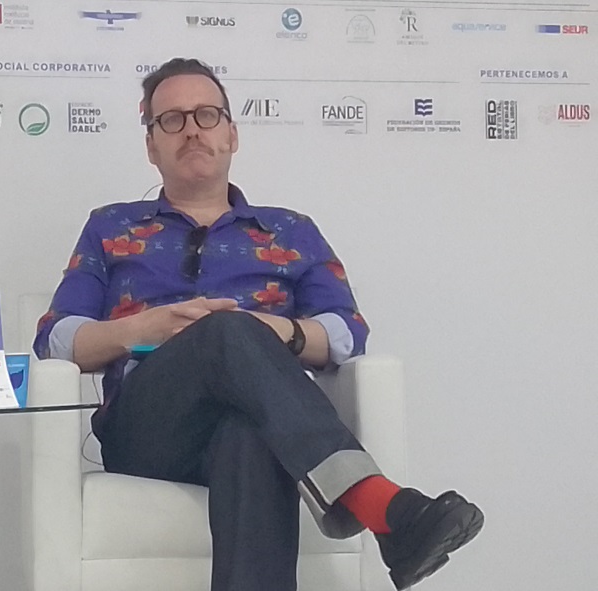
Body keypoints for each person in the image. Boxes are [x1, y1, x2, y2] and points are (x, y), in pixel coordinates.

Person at [33, 57, 483, 591]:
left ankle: (378, 508)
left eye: (206, 115)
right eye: (172, 120)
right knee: (225, 330)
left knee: (247, 435)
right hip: (149, 427)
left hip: (259, 423)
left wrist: (281, 332)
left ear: (232, 134)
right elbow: (55, 339)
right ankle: (377, 502)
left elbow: (347, 333)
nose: (192, 130)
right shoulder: (111, 227)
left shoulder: (291, 231)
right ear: (151, 145)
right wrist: (142, 328)